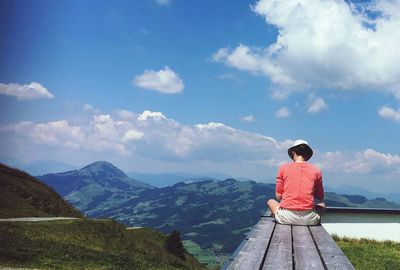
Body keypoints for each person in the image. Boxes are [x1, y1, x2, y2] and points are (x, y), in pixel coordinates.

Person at [267, 139, 325, 225]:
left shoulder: (283, 168)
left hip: (286, 218)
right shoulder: (316, 171)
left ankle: (276, 214)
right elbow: (320, 197)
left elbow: (278, 196)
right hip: (310, 219)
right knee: (322, 205)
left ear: (293, 152)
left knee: (270, 201)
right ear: (307, 154)